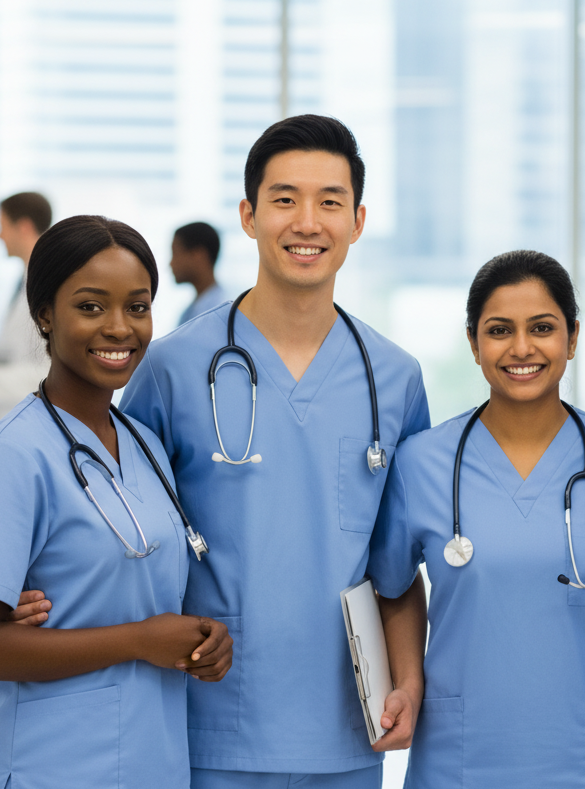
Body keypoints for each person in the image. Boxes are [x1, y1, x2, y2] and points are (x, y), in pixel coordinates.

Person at [119, 114, 429, 788]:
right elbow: (115, 522)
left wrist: (408, 680)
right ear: (249, 215)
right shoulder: (173, 368)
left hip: (346, 730)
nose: (307, 222)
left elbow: (398, 569)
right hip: (210, 719)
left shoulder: (394, 378)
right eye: (285, 199)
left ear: (358, 221)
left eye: (330, 202)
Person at [0, 215, 232, 789]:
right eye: (92, 307)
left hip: (151, 759)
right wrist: (139, 640)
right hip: (49, 763)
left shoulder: (145, 445)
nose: (120, 328)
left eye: (138, 307)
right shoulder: (12, 456)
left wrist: (204, 640)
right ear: (45, 314)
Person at [368, 250, 585, 787]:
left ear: (572, 337)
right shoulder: (420, 463)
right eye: (499, 330)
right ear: (474, 343)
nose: (522, 348)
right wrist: (406, 682)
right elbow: (392, 586)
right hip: (459, 755)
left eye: (542, 328)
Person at [0, 191, 53, 422]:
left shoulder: (48, 286)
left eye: (2, 226)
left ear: (23, 227)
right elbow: (19, 349)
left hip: (31, 420)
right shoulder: (24, 281)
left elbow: (50, 373)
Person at [172, 221, 227, 325]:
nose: (171, 263)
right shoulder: (192, 311)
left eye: (175, 253)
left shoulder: (220, 312)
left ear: (198, 256)